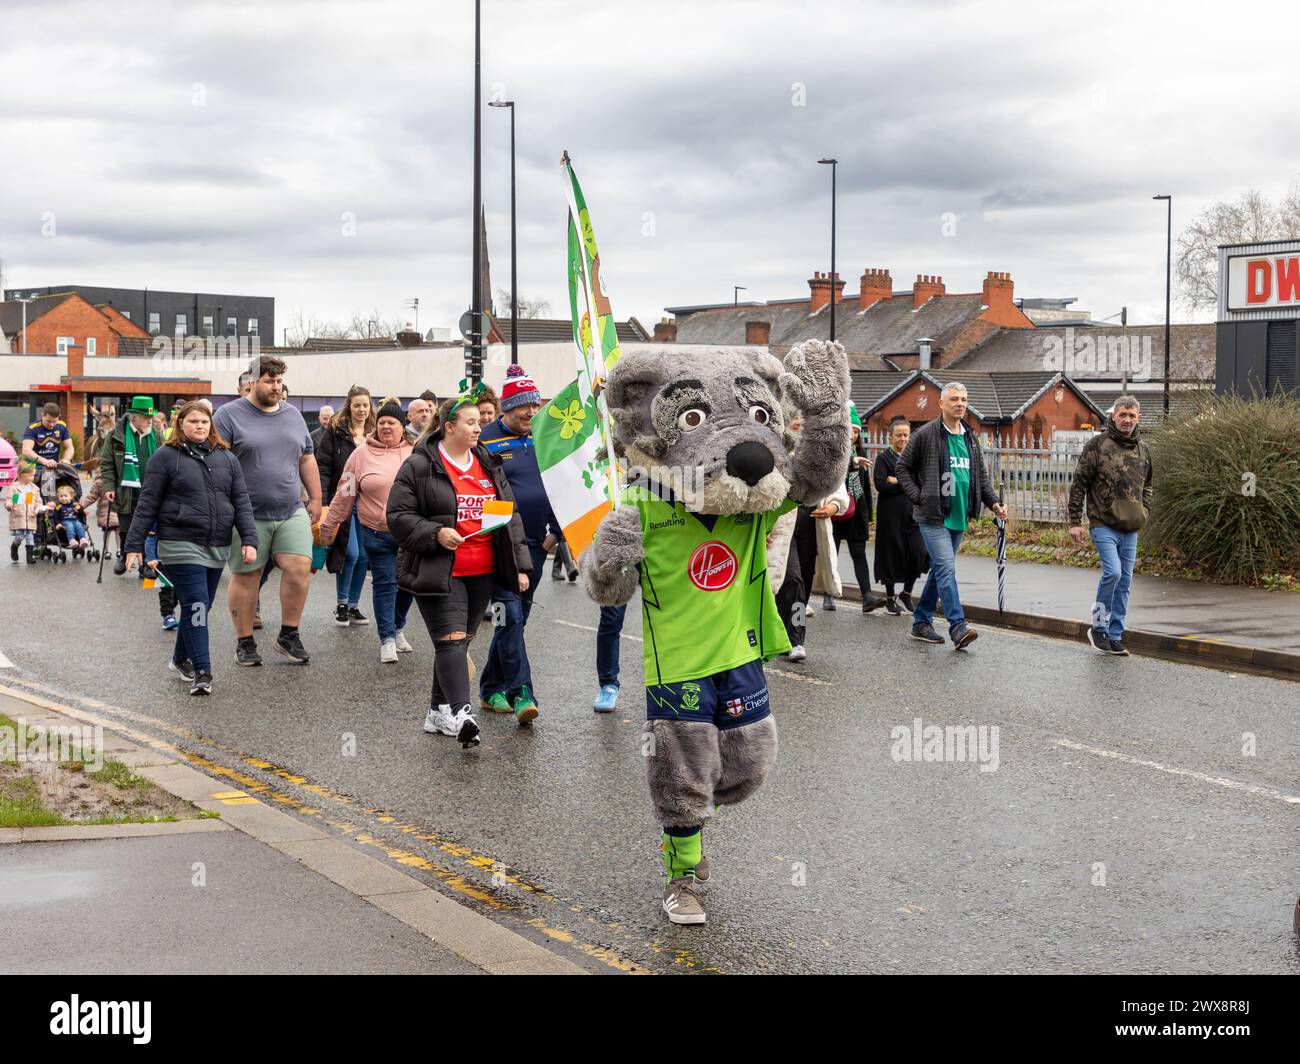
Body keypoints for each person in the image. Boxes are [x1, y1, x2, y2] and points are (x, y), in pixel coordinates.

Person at [387, 389, 532, 747]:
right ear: (448, 426)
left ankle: (437, 711)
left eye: (480, 422)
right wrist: (435, 533)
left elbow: (509, 516)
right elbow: (398, 516)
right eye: (470, 422)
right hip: (439, 568)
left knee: (457, 642)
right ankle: (462, 713)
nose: (479, 427)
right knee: (451, 640)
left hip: (482, 570)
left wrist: (521, 567)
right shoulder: (420, 464)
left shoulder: (486, 461)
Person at [124, 401, 259, 695]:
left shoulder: (227, 458)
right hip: (179, 543)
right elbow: (147, 503)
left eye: (204, 422)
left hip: (217, 544)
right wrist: (134, 545)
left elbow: (242, 501)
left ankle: (179, 658)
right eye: (193, 421)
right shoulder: (165, 457)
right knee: (196, 604)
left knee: (201, 607)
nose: (200, 426)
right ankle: (202, 672)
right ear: (180, 424)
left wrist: (249, 539)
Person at [214, 356, 322, 666]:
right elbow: (219, 464)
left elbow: (306, 458)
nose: (275, 387)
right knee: (248, 575)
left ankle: (289, 634)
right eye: (268, 381)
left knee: (300, 567)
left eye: (278, 381)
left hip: (290, 509)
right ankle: (245, 641)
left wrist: (315, 498)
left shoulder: (293, 415)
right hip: (247, 513)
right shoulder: (228, 415)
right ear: (251, 382)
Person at [895, 382, 1007, 649]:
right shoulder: (926, 434)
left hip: (958, 516)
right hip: (932, 516)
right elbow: (903, 469)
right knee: (946, 567)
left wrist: (994, 504)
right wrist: (919, 497)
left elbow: (980, 476)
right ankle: (958, 626)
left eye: (964, 399)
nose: (960, 403)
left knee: (939, 570)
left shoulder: (970, 436)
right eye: (955, 399)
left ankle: (921, 621)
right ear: (942, 404)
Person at [477, 365, 556, 721]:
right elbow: (481, 493)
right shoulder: (486, 440)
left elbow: (559, 482)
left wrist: (560, 532)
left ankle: (490, 687)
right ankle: (522, 692)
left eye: (535, 406)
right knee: (509, 617)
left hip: (538, 545)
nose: (531, 412)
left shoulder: (544, 435)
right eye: (524, 406)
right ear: (507, 408)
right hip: (502, 545)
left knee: (517, 619)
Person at [320, 402, 414, 663]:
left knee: (408, 585)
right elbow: (346, 492)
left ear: (401, 427)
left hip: (411, 534)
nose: (385, 426)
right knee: (386, 582)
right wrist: (330, 524)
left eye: (391, 423)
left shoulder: (416, 452)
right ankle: (387, 639)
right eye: (382, 422)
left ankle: (397, 626)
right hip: (376, 531)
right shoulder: (361, 455)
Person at [1068, 396, 1151, 656]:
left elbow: (1148, 485)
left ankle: (1115, 635)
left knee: (1125, 582)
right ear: (1113, 416)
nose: (1127, 420)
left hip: (1131, 527)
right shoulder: (1098, 445)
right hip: (1103, 522)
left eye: (1132, 415)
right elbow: (1079, 483)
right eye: (1122, 414)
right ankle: (1098, 627)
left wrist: (1144, 511)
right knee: (1113, 573)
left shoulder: (1143, 449)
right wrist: (1074, 521)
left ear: (1138, 417)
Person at [100, 391, 174, 650]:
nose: (150, 422)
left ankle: (144, 564)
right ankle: (124, 554)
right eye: (146, 418)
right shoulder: (116, 437)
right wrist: (108, 485)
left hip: (150, 489)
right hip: (125, 489)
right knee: (129, 525)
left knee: (149, 528)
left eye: (151, 418)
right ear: (135, 416)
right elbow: (106, 464)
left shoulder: (156, 435)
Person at [316, 385, 374, 627]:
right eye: (357, 404)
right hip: (342, 499)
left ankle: (353, 605)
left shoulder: (374, 432)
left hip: (368, 501)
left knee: (363, 557)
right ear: (349, 406)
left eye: (365, 405)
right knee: (350, 554)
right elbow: (324, 466)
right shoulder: (336, 431)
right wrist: (322, 501)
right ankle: (341, 603)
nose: (361, 409)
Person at [827, 404, 884, 613]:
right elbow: (834, 469)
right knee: (831, 555)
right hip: (835, 510)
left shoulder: (860, 450)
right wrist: (852, 462)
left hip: (856, 511)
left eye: (857, 431)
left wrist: (869, 511)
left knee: (859, 553)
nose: (853, 434)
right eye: (851, 429)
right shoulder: (833, 449)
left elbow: (865, 484)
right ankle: (828, 594)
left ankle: (867, 596)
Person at [873, 416, 929, 615]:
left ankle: (906, 592)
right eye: (898, 435)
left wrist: (896, 480)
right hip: (890, 516)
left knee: (920, 553)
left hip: (913, 515)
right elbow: (881, 484)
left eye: (906, 435)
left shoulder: (914, 458)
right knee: (891, 554)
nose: (903, 439)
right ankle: (890, 598)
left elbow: (920, 483)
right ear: (891, 437)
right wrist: (903, 483)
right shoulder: (883, 458)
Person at [22, 402, 74, 470]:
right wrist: (45, 461)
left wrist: (66, 459)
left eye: (54, 421)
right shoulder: (32, 428)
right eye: (48, 421)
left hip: (54, 467)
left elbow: (69, 447)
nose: (51, 425)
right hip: (34, 468)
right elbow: (26, 451)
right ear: (42, 415)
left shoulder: (62, 426)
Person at [6, 463, 39, 563]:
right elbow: (10, 499)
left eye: (33, 475)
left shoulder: (34, 489)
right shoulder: (14, 488)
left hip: (30, 516)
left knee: (30, 536)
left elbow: (38, 501)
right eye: (31, 475)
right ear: (22, 476)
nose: (33, 477)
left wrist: (37, 509)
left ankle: (29, 557)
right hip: (18, 515)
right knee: (20, 536)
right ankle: (14, 546)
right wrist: (9, 504)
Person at [47, 484, 91, 550]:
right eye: (61, 496)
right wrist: (57, 523)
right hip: (64, 521)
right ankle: (72, 540)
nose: (63, 498)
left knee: (79, 525)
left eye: (65, 496)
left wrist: (80, 509)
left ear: (71, 496)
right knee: (69, 525)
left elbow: (81, 515)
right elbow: (55, 516)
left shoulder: (74, 505)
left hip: (75, 520)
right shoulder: (59, 506)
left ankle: (82, 539)